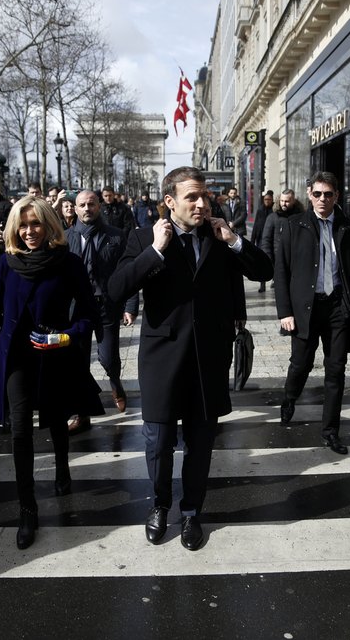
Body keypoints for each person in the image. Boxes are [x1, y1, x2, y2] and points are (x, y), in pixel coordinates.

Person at [109, 166, 273, 551]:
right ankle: (160, 505)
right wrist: (154, 250)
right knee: (159, 442)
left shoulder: (218, 236)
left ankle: (192, 513)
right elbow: (116, 288)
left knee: (201, 444)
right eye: (192, 197)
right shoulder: (141, 237)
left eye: (205, 196)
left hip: (208, 359)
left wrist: (233, 240)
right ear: (169, 202)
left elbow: (262, 268)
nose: (201, 204)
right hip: (162, 359)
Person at [0, 196, 103, 549]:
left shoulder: (68, 263)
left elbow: (89, 314)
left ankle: (63, 469)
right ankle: (27, 508)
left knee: (56, 421)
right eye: (22, 225)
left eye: (35, 224)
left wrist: (65, 336)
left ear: (49, 225)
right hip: (16, 358)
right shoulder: (7, 263)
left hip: (54, 353)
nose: (29, 231)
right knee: (19, 429)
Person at [275, 171, 350, 455]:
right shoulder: (294, 225)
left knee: (336, 370)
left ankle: (330, 432)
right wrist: (285, 311)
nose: (322, 199)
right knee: (301, 365)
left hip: (338, 307)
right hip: (305, 309)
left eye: (328, 194)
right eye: (317, 194)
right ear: (309, 195)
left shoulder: (349, 227)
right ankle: (289, 397)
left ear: (336, 197)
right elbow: (280, 272)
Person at [65, 190, 139, 433]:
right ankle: (81, 413)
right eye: (82, 205)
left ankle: (115, 381)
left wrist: (129, 306)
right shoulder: (65, 239)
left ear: (99, 207)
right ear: (74, 209)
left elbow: (128, 274)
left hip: (106, 306)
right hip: (77, 310)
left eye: (91, 204)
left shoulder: (116, 237)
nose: (87, 209)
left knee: (108, 358)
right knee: (77, 363)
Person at [259, 189, 303, 269]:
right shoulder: (272, 217)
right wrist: (269, 260)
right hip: (278, 262)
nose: (283, 204)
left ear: (293, 201)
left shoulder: (301, 217)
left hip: (296, 262)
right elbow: (266, 240)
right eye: (282, 201)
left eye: (287, 201)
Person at [250, 191, 274, 292]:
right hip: (261, 239)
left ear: (272, 200)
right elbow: (256, 225)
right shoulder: (260, 210)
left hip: (272, 240)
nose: (267, 201)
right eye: (265, 200)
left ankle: (275, 280)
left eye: (269, 200)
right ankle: (262, 284)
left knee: (274, 261)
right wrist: (252, 240)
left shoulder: (274, 211)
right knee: (262, 262)